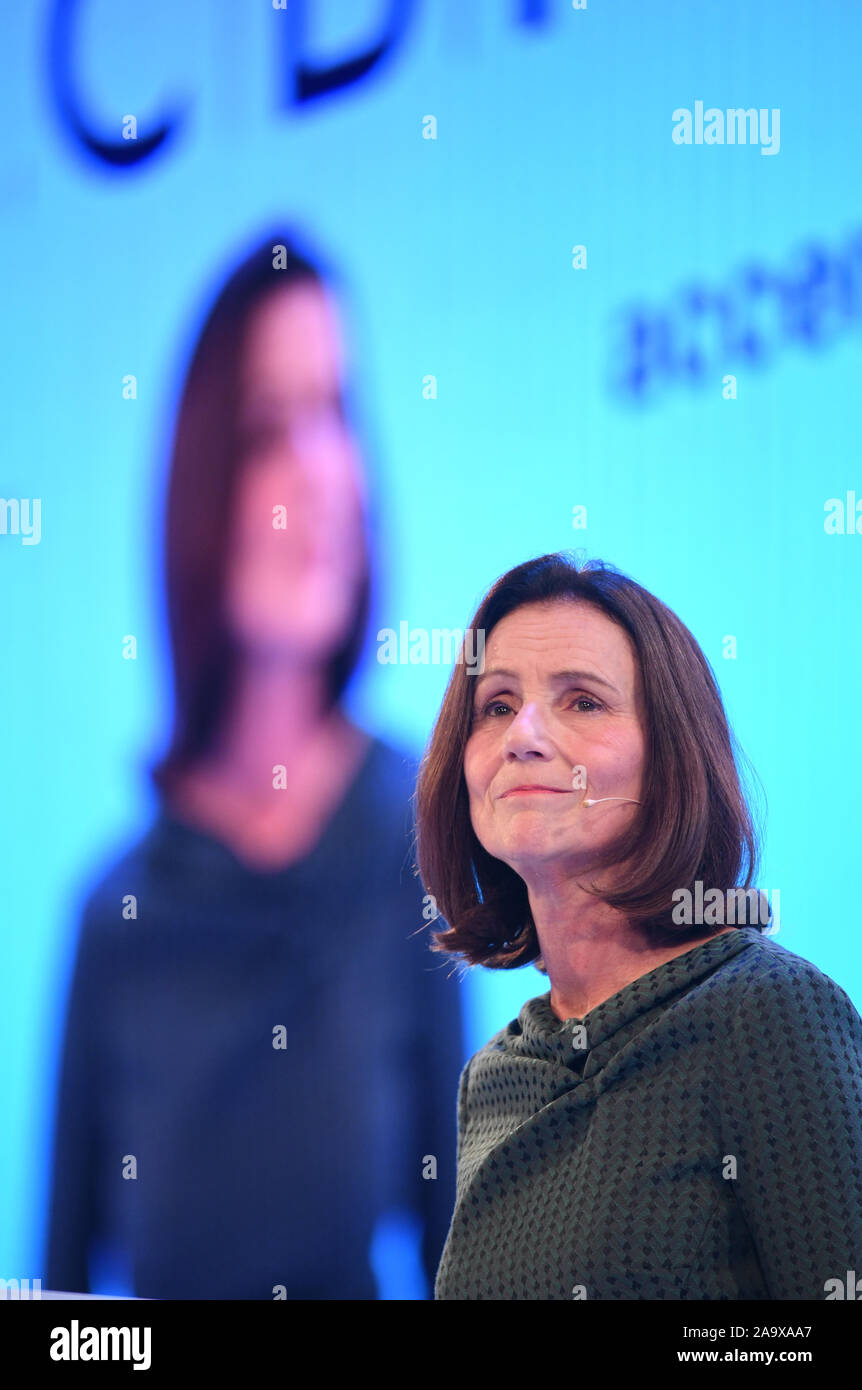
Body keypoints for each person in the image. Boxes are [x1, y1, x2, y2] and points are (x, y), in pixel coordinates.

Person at [44, 231, 464, 1300]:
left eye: (336, 414)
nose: (322, 473)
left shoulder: (422, 838)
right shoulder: (114, 913)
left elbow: (463, 1252)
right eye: (273, 426)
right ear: (205, 480)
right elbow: (64, 1300)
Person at [415, 551, 862, 1300]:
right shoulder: (492, 1080)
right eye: (496, 705)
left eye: (582, 702)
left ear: (672, 759)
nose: (523, 734)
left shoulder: (769, 1016)